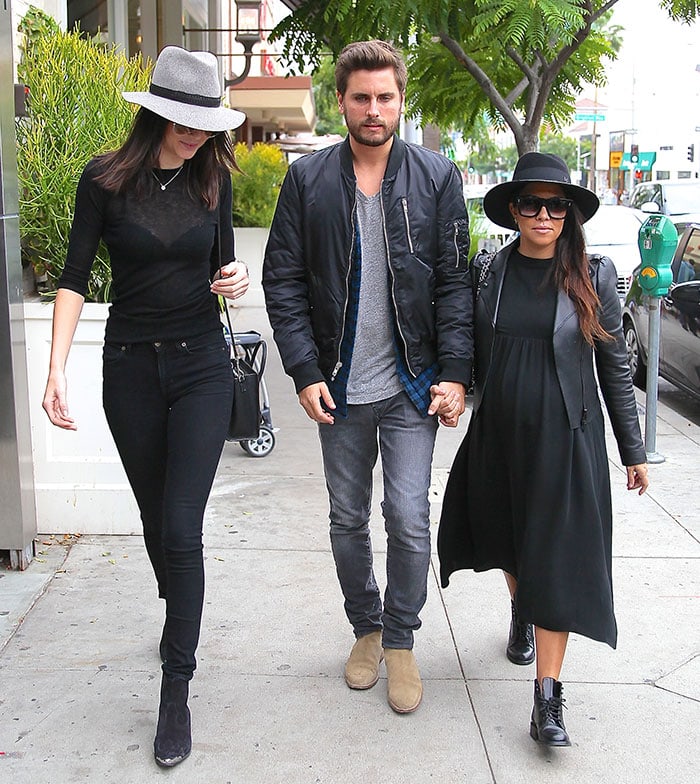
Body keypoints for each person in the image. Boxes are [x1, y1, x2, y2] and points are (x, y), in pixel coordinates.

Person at [41, 47, 249, 767]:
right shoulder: (103, 180)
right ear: (154, 111)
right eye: (185, 121)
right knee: (156, 520)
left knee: (183, 528)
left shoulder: (214, 178)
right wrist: (55, 367)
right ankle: (176, 601)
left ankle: (175, 687)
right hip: (128, 368)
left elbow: (223, 266)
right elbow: (72, 276)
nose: (195, 135)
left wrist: (235, 279)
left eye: (206, 123)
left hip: (200, 369)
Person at [263, 40, 472, 714]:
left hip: (413, 385)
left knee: (409, 518)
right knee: (347, 519)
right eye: (361, 97)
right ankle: (366, 627)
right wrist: (301, 369)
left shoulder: (437, 177)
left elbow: (455, 286)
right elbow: (284, 280)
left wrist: (458, 374)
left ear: (400, 100)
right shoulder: (309, 180)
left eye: (385, 97)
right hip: (340, 387)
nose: (374, 109)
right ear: (342, 101)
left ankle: (403, 638)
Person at [438, 152, 649, 747]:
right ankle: (520, 605)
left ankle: (547, 698)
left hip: (567, 437)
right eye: (530, 202)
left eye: (556, 204)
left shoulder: (594, 275)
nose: (543, 214)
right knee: (511, 540)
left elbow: (614, 365)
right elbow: (468, 347)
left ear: (568, 214)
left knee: (554, 559)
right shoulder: (491, 271)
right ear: (512, 209)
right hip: (502, 432)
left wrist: (632, 449)